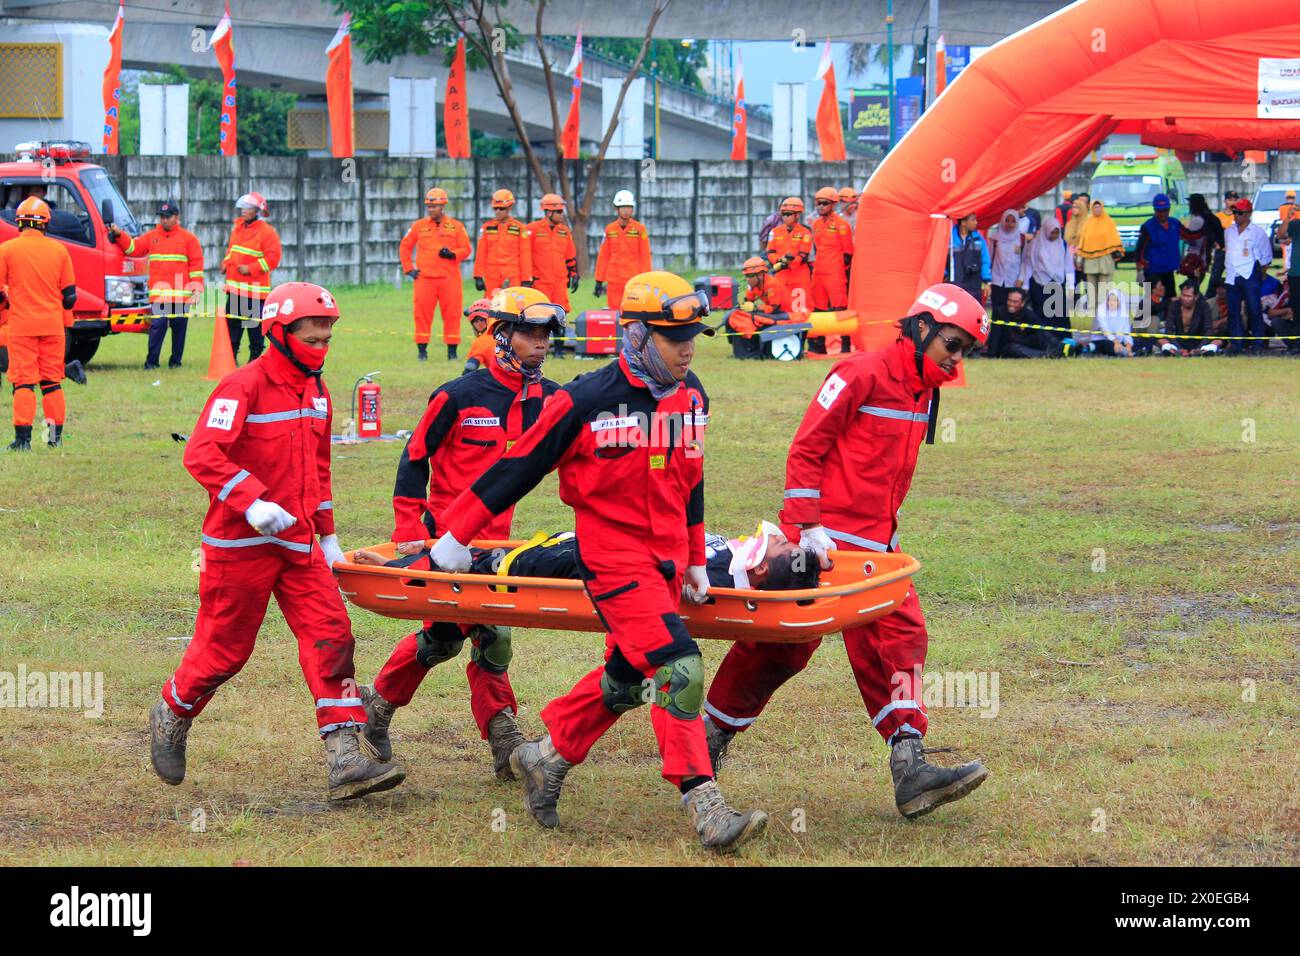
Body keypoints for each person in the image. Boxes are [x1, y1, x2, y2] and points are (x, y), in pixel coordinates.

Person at [430, 270, 769, 851]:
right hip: (612, 560)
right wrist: (455, 538)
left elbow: (691, 478)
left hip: (666, 561)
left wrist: (692, 556)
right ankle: (705, 806)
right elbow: (519, 468)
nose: (687, 347)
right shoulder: (581, 400)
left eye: (692, 335)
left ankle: (546, 756)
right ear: (636, 334)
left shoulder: (692, 397)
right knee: (678, 669)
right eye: (673, 336)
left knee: (626, 680)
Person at [703, 282, 992, 822]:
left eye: (965, 351)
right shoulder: (858, 374)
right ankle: (706, 741)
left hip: (878, 547)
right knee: (781, 649)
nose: (956, 360)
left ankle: (910, 761)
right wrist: (807, 528)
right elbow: (807, 448)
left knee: (902, 636)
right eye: (952, 345)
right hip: (828, 545)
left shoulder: (923, 389)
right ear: (923, 327)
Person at [149, 282, 406, 801]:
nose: (323, 341)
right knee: (225, 651)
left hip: (300, 546)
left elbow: (320, 468)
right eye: (313, 334)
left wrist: (328, 535)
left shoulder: (318, 391)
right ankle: (172, 711)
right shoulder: (241, 386)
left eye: (329, 333)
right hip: (238, 545)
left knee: (332, 636)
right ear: (278, 333)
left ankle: (346, 756)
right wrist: (251, 501)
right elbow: (200, 453)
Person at [360, 287, 564, 780]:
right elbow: (413, 458)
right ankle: (505, 739)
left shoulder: (555, 400)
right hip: (442, 541)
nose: (541, 344)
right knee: (491, 634)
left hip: (500, 547)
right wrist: (411, 531)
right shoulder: (457, 395)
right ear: (502, 334)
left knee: (446, 637)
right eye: (530, 333)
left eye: (547, 335)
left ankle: (379, 707)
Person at [354, 521, 821, 594]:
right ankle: (427, 550)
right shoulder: (746, 558)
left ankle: (398, 571)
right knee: (503, 553)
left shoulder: (721, 575)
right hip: (594, 539)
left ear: (761, 567)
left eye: (783, 546)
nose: (781, 538)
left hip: (586, 557)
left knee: (482, 569)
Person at [0, 198, 76, 451]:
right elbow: (70, 297)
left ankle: (23, 441)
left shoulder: (7, 250)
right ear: (45, 223)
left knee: (23, 383)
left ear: (20, 222)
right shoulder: (60, 250)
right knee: (52, 382)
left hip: (21, 327)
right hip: (53, 327)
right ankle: (54, 439)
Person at [108, 200, 204, 370]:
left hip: (181, 296)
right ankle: (151, 363)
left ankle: (175, 362)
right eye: (162, 217)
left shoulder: (189, 239)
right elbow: (133, 248)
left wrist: (196, 290)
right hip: (159, 296)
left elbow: (196, 266)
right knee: (157, 327)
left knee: (179, 330)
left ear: (177, 217)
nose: (164, 220)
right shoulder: (151, 237)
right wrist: (119, 234)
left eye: (168, 217)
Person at [399, 186, 473, 362]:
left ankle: (452, 352)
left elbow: (467, 249)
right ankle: (422, 351)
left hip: (450, 279)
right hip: (425, 279)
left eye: (435, 206)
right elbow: (405, 246)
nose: (431, 209)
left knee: (453, 315)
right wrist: (409, 268)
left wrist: (453, 254)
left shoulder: (456, 226)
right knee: (422, 315)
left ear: (443, 206)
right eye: (429, 207)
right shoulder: (418, 226)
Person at [222, 192, 281, 364]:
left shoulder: (267, 232)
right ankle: (231, 361)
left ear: (257, 210)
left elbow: (273, 259)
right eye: (243, 208)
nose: (243, 211)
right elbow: (231, 251)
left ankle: (255, 363)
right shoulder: (238, 228)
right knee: (232, 328)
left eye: (247, 208)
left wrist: (251, 268)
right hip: (234, 291)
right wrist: (225, 263)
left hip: (255, 293)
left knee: (255, 331)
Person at [1223, 197, 1272, 353]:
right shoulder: (1228, 231)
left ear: (1248, 214)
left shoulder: (1258, 232)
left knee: (1254, 309)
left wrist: (1259, 275)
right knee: (1233, 312)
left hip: (1249, 274)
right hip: (1231, 275)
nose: (1236, 216)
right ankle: (1237, 344)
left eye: (1240, 213)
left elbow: (1266, 258)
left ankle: (1258, 343)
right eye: (1235, 212)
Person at [810, 187, 855, 354]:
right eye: (818, 203)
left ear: (833, 204)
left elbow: (848, 253)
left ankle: (845, 346)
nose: (820, 207)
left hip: (835, 273)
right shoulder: (815, 224)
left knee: (840, 308)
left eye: (824, 203)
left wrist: (840, 272)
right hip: (818, 273)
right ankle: (820, 346)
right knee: (819, 309)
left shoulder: (842, 225)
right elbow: (816, 248)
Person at [593, 189, 651, 309]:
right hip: (614, 281)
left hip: (633, 280)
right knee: (614, 312)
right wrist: (599, 280)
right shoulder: (610, 230)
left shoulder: (640, 229)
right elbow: (603, 256)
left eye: (629, 207)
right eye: (623, 207)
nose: (626, 210)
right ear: (617, 209)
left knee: (633, 311)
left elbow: (645, 256)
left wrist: (646, 280)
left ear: (632, 209)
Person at [473, 189, 533, 303]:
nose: (498, 211)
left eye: (502, 208)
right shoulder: (486, 228)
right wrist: (478, 276)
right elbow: (481, 253)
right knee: (491, 306)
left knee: (513, 306)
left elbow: (525, 254)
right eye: (495, 208)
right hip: (492, 277)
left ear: (509, 208)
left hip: (512, 276)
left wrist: (526, 279)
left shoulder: (519, 228)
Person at [1020, 217, 1075, 338]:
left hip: (1057, 284)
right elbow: (1028, 264)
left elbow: (1068, 265)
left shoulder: (1063, 244)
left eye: (1057, 232)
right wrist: (1025, 285)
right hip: (1039, 284)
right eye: (1052, 232)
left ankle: (1061, 340)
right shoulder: (1035, 244)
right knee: (1041, 314)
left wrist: (1071, 285)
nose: (1054, 235)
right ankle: (1042, 339)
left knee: (1059, 315)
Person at [727, 256, 791, 359]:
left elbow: (774, 308)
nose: (747, 278)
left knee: (751, 320)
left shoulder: (771, 285)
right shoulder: (754, 285)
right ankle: (740, 350)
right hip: (773, 313)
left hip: (784, 314)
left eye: (750, 275)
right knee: (733, 315)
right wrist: (742, 307)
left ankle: (752, 352)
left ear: (760, 275)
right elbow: (748, 300)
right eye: (746, 276)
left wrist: (755, 307)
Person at [527, 193, 579, 311]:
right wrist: (527, 278)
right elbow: (525, 256)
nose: (562, 215)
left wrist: (574, 274)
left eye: (562, 211)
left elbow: (570, 256)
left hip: (560, 282)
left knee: (561, 312)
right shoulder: (532, 229)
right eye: (559, 211)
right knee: (539, 314)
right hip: (539, 282)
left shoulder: (564, 231)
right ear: (549, 212)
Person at [986, 287, 1068, 358]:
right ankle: (1048, 355)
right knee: (1015, 349)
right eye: (1009, 300)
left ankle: (1064, 348)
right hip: (1008, 346)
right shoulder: (999, 312)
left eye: (1015, 302)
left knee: (1043, 335)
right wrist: (991, 353)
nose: (1011, 304)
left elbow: (1041, 331)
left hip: (1024, 342)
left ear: (1022, 303)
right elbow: (995, 336)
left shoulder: (1028, 314)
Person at [1076, 199, 1123, 317]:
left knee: (1104, 288)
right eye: (1095, 207)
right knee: (1091, 289)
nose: (1097, 209)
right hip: (1090, 261)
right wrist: (1079, 259)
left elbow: (1115, 239)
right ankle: (1092, 313)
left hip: (1105, 261)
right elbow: (1082, 242)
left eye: (1099, 207)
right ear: (1092, 209)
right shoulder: (1087, 223)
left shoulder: (1109, 222)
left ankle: (1104, 313)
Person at [767, 196, 814, 313]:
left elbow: (803, 255)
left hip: (799, 276)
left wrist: (789, 262)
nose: (785, 217)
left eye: (788, 214)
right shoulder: (775, 232)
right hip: (781, 276)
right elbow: (770, 252)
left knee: (802, 308)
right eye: (783, 214)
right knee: (780, 306)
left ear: (797, 215)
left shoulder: (805, 233)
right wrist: (778, 261)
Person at [1135, 193, 1182, 305]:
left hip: (1169, 270)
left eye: (1165, 210)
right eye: (1159, 211)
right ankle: (1147, 321)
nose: (1162, 214)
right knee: (1152, 301)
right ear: (1154, 210)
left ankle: (1169, 322)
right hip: (1152, 270)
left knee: (1171, 299)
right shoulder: (1147, 227)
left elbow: (1189, 236)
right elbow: (1139, 250)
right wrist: (1140, 271)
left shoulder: (1175, 223)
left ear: (1169, 209)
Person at [1157, 279, 1217, 355]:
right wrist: (1180, 348)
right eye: (1183, 295)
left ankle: (1203, 352)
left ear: (1196, 296)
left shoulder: (1204, 306)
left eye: (1189, 296)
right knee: (1162, 340)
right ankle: (1172, 352)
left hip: (1198, 341)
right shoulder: (1174, 305)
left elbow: (1208, 330)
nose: (1185, 299)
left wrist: (1198, 348)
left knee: (1217, 341)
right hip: (1178, 341)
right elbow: (1169, 330)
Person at [1183, 193, 1224, 293]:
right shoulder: (1211, 218)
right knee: (1194, 286)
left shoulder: (1196, 220)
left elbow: (1191, 239)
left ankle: (1199, 305)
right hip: (1205, 257)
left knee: (1190, 289)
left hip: (1195, 258)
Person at [946, 212, 990, 303]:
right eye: (973, 220)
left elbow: (985, 260)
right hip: (955, 283)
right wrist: (945, 275)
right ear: (963, 222)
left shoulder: (979, 239)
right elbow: (941, 259)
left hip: (974, 284)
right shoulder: (950, 238)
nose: (976, 222)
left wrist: (987, 281)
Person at [1078, 285, 1133, 356]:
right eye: (1110, 300)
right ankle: (1089, 348)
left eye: (1115, 300)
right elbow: (1105, 331)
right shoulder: (1101, 311)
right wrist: (1116, 343)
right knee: (1109, 346)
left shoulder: (1124, 314)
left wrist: (1128, 346)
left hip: (1118, 341)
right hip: (1101, 340)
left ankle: (1126, 352)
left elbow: (1126, 333)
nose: (1111, 302)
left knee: (1135, 342)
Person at [987, 209, 1026, 311]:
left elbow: (1024, 260)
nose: (1009, 224)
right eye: (1007, 220)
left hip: (1013, 280)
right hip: (997, 280)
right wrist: (988, 279)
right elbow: (989, 258)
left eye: (1013, 221)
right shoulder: (995, 238)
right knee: (997, 309)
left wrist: (1021, 278)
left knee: (1012, 309)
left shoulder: (1021, 238)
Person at [460, 297, 496, 375]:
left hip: (504, 383)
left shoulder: (482, 341)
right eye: (476, 321)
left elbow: (470, 368)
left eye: (481, 320)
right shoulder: (508, 333)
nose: (479, 323)